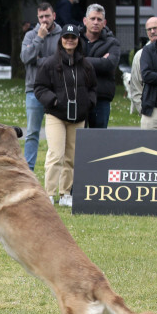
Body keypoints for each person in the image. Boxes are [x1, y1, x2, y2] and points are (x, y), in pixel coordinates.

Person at [33, 24, 96, 207]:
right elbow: (39, 88)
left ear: (78, 40)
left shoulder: (86, 65)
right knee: (56, 154)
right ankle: (49, 194)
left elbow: (93, 88)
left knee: (71, 156)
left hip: (78, 117)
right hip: (56, 115)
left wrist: (88, 103)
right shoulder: (50, 63)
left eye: (73, 37)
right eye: (66, 36)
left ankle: (66, 193)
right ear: (61, 39)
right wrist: (53, 101)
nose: (70, 40)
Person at [20, 2, 62, 171]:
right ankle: (28, 171)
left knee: (57, 134)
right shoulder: (31, 36)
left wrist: (38, 61)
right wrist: (39, 38)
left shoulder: (62, 35)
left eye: (47, 16)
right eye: (41, 17)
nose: (44, 20)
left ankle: (55, 170)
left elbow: (61, 61)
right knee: (32, 133)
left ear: (54, 16)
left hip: (56, 90)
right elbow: (25, 58)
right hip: (33, 89)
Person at [79, 4, 121, 128]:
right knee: (77, 140)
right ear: (85, 21)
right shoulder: (74, 38)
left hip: (101, 97)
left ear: (104, 22)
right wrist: (99, 61)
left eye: (99, 19)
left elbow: (109, 64)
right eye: (92, 19)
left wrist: (81, 61)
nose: (96, 22)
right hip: (78, 95)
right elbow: (68, 62)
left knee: (99, 139)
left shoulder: (112, 42)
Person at [130, 16, 157, 115]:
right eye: (149, 29)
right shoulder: (140, 55)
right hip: (149, 111)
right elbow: (135, 86)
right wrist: (142, 109)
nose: (152, 31)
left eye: (155, 28)